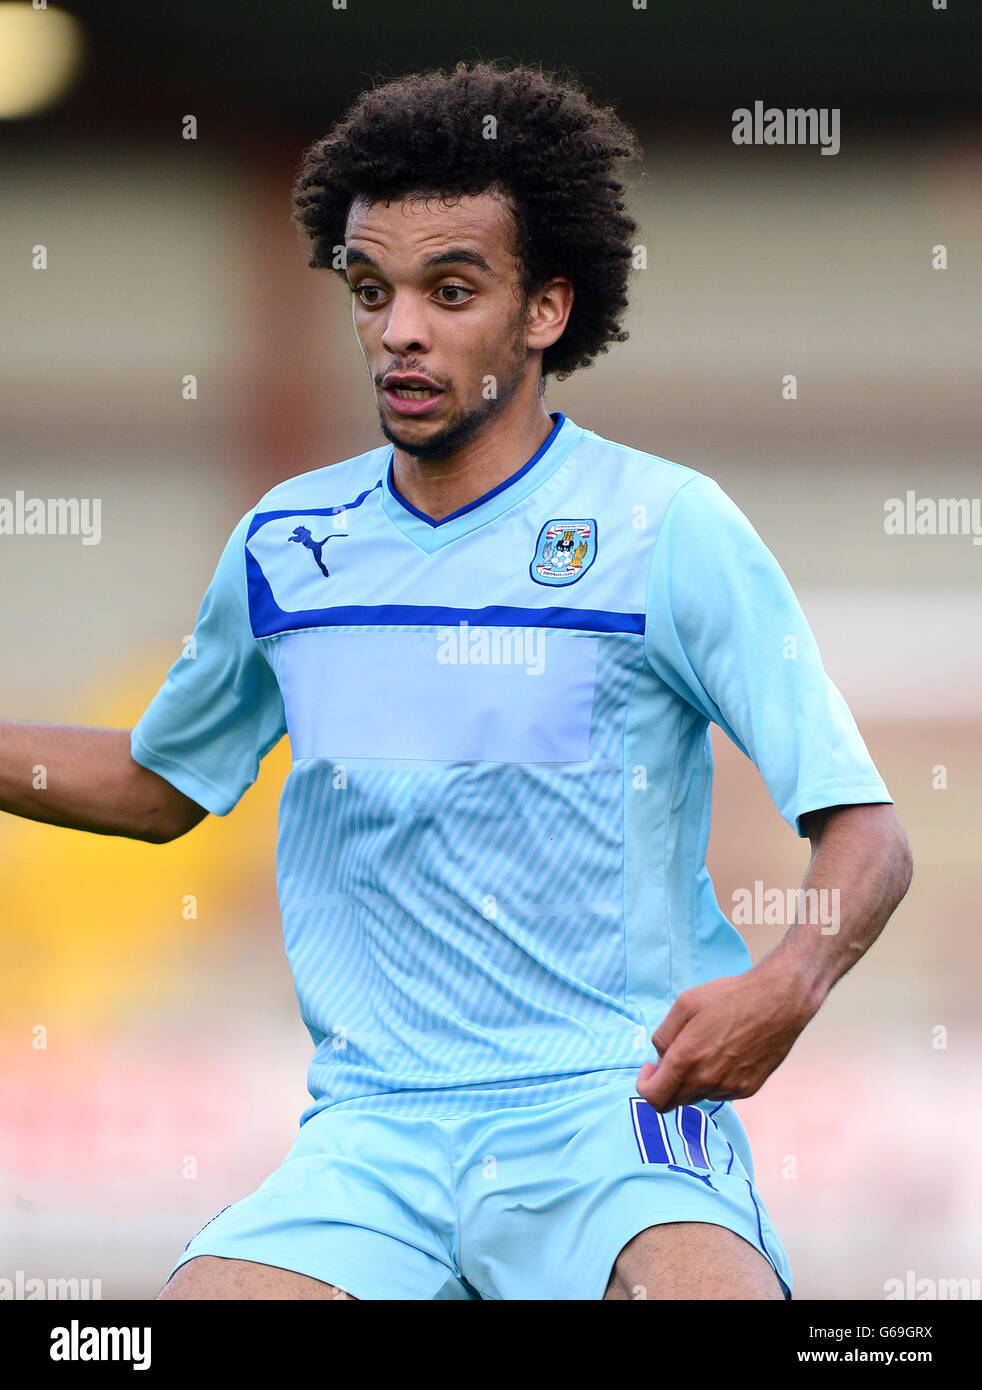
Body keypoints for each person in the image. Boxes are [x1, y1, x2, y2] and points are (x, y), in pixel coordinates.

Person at [1, 60, 912, 1301]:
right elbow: (164, 783)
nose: (400, 330)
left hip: (611, 1112)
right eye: (371, 292)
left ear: (544, 310)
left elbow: (866, 831)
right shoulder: (287, 543)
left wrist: (782, 986)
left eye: (450, 289)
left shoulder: (665, 526)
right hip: (373, 1135)